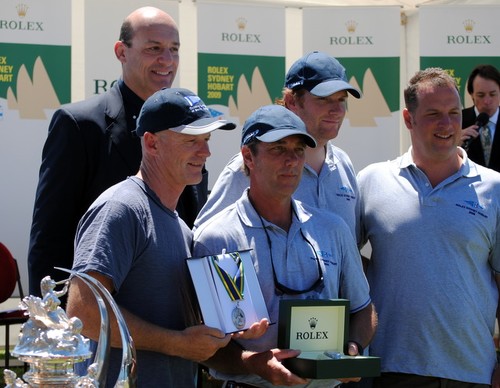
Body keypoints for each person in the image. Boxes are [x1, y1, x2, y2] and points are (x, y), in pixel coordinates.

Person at [27, 6, 207, 297]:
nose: (167, 60)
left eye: (174, 49)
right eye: (154, 48)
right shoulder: (79, 125)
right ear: (121, 52)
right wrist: (57, 324)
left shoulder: (190, 126)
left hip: (176, 315)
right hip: (100, 320)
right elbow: (50, 237)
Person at [194, 105, 377, 388]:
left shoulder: (332, 229)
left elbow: (363, 309)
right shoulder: (219, 238)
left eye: (299, 150)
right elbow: (208, 346)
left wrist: (351, 349)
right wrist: (252, 362)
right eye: (278, 149)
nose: (292, 161)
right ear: (248, 157)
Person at [65, 87, 236, 387]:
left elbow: (179, 327)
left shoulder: (181, 228)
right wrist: (177, 343)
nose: (205, 152)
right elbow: (83, 313)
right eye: (191, 140)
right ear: (152, 143)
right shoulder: (121, 208)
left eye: (207, 140)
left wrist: (232, 327)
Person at [358, 67, 500, 387]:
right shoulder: (372, 181)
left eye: (453, 113)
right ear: (409, 119)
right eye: (433, 114)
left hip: (471, 371)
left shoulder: (495, 188)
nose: (447, 124)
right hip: (390, 369)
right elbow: (342, 264)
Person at [194, 51, 361, 242]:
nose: (337, 110)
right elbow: (206, 240)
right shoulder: (252, 164)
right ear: (291, 101)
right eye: (323, 99)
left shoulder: (343, 164)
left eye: (341, 100)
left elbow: (352, 246)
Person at [461, 64, 500, 172]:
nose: (487, 101)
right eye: (481, 95)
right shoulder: (457, 121)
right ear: (471, 94)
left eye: (492, 94)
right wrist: (453, 145)